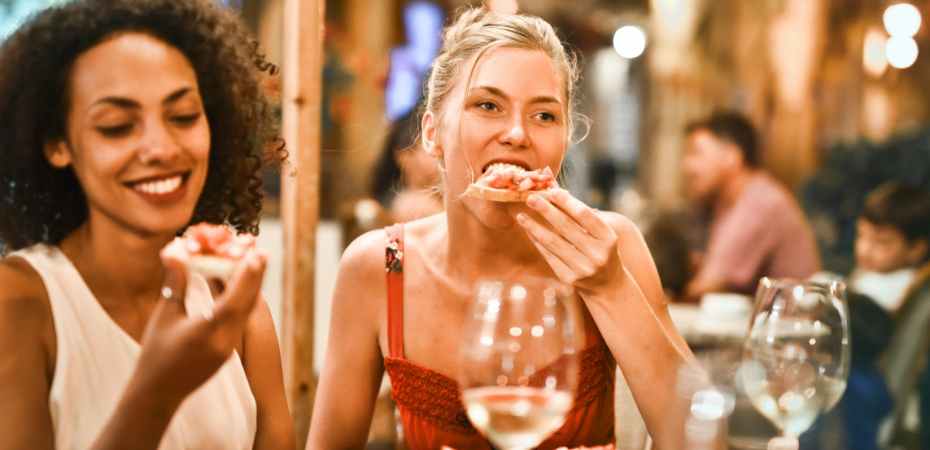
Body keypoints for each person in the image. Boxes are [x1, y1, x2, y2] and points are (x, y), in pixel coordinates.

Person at [308, 7, 694, 450]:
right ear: (432, 133)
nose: (516, 133)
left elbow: (699, 439)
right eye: (487, 106)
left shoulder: (612, 245)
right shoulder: (377, 267)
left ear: (565, 139)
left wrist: (609, 288)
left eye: (544, 116)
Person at [0, 1, 294, 449]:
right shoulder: (20, 303)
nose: (160, 147)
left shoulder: (231, 302)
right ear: (58, 144)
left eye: (183, 116)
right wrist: (157, 391)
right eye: (117, 126)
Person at [681, 110, 820, 299]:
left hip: (794, 322)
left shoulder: (760, 203)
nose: (687, 165)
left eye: (696, 153)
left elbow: (707, 286)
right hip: (768, 319)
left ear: (731, 156)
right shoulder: (727, 202)